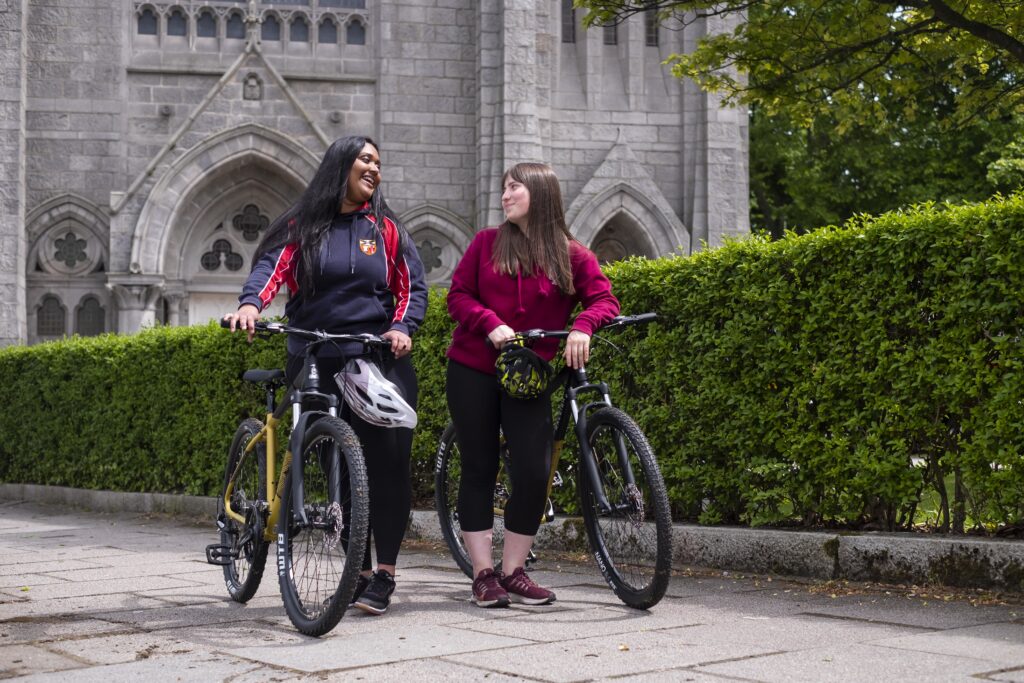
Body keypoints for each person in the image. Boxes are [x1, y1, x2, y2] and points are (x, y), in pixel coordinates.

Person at [223, 135, 427, 616]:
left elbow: (411, 286)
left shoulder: (387, 229)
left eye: (379, 161)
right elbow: (271, 270)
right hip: (316, 354)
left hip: (377, 357)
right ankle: (356, 571)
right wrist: (251, 304)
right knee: (344, 460)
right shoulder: (302, 226)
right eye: (365, 159)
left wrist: (402, 327)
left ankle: (385, 575)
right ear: (341, 165)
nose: (375, 168)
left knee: (388, 464)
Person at [445, 162, 620, 607]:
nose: (505, 195)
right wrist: (489, 323)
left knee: (533, 471)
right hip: (474, 367)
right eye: (504, 187)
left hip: (529, 378)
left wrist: (583, 325)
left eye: (514, 187)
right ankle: (483, 574)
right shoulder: (486, 243)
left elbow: (604, 298)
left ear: (540, 194)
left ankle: (514, 571)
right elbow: (458, 295)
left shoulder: (571, 254)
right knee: (480, 466)